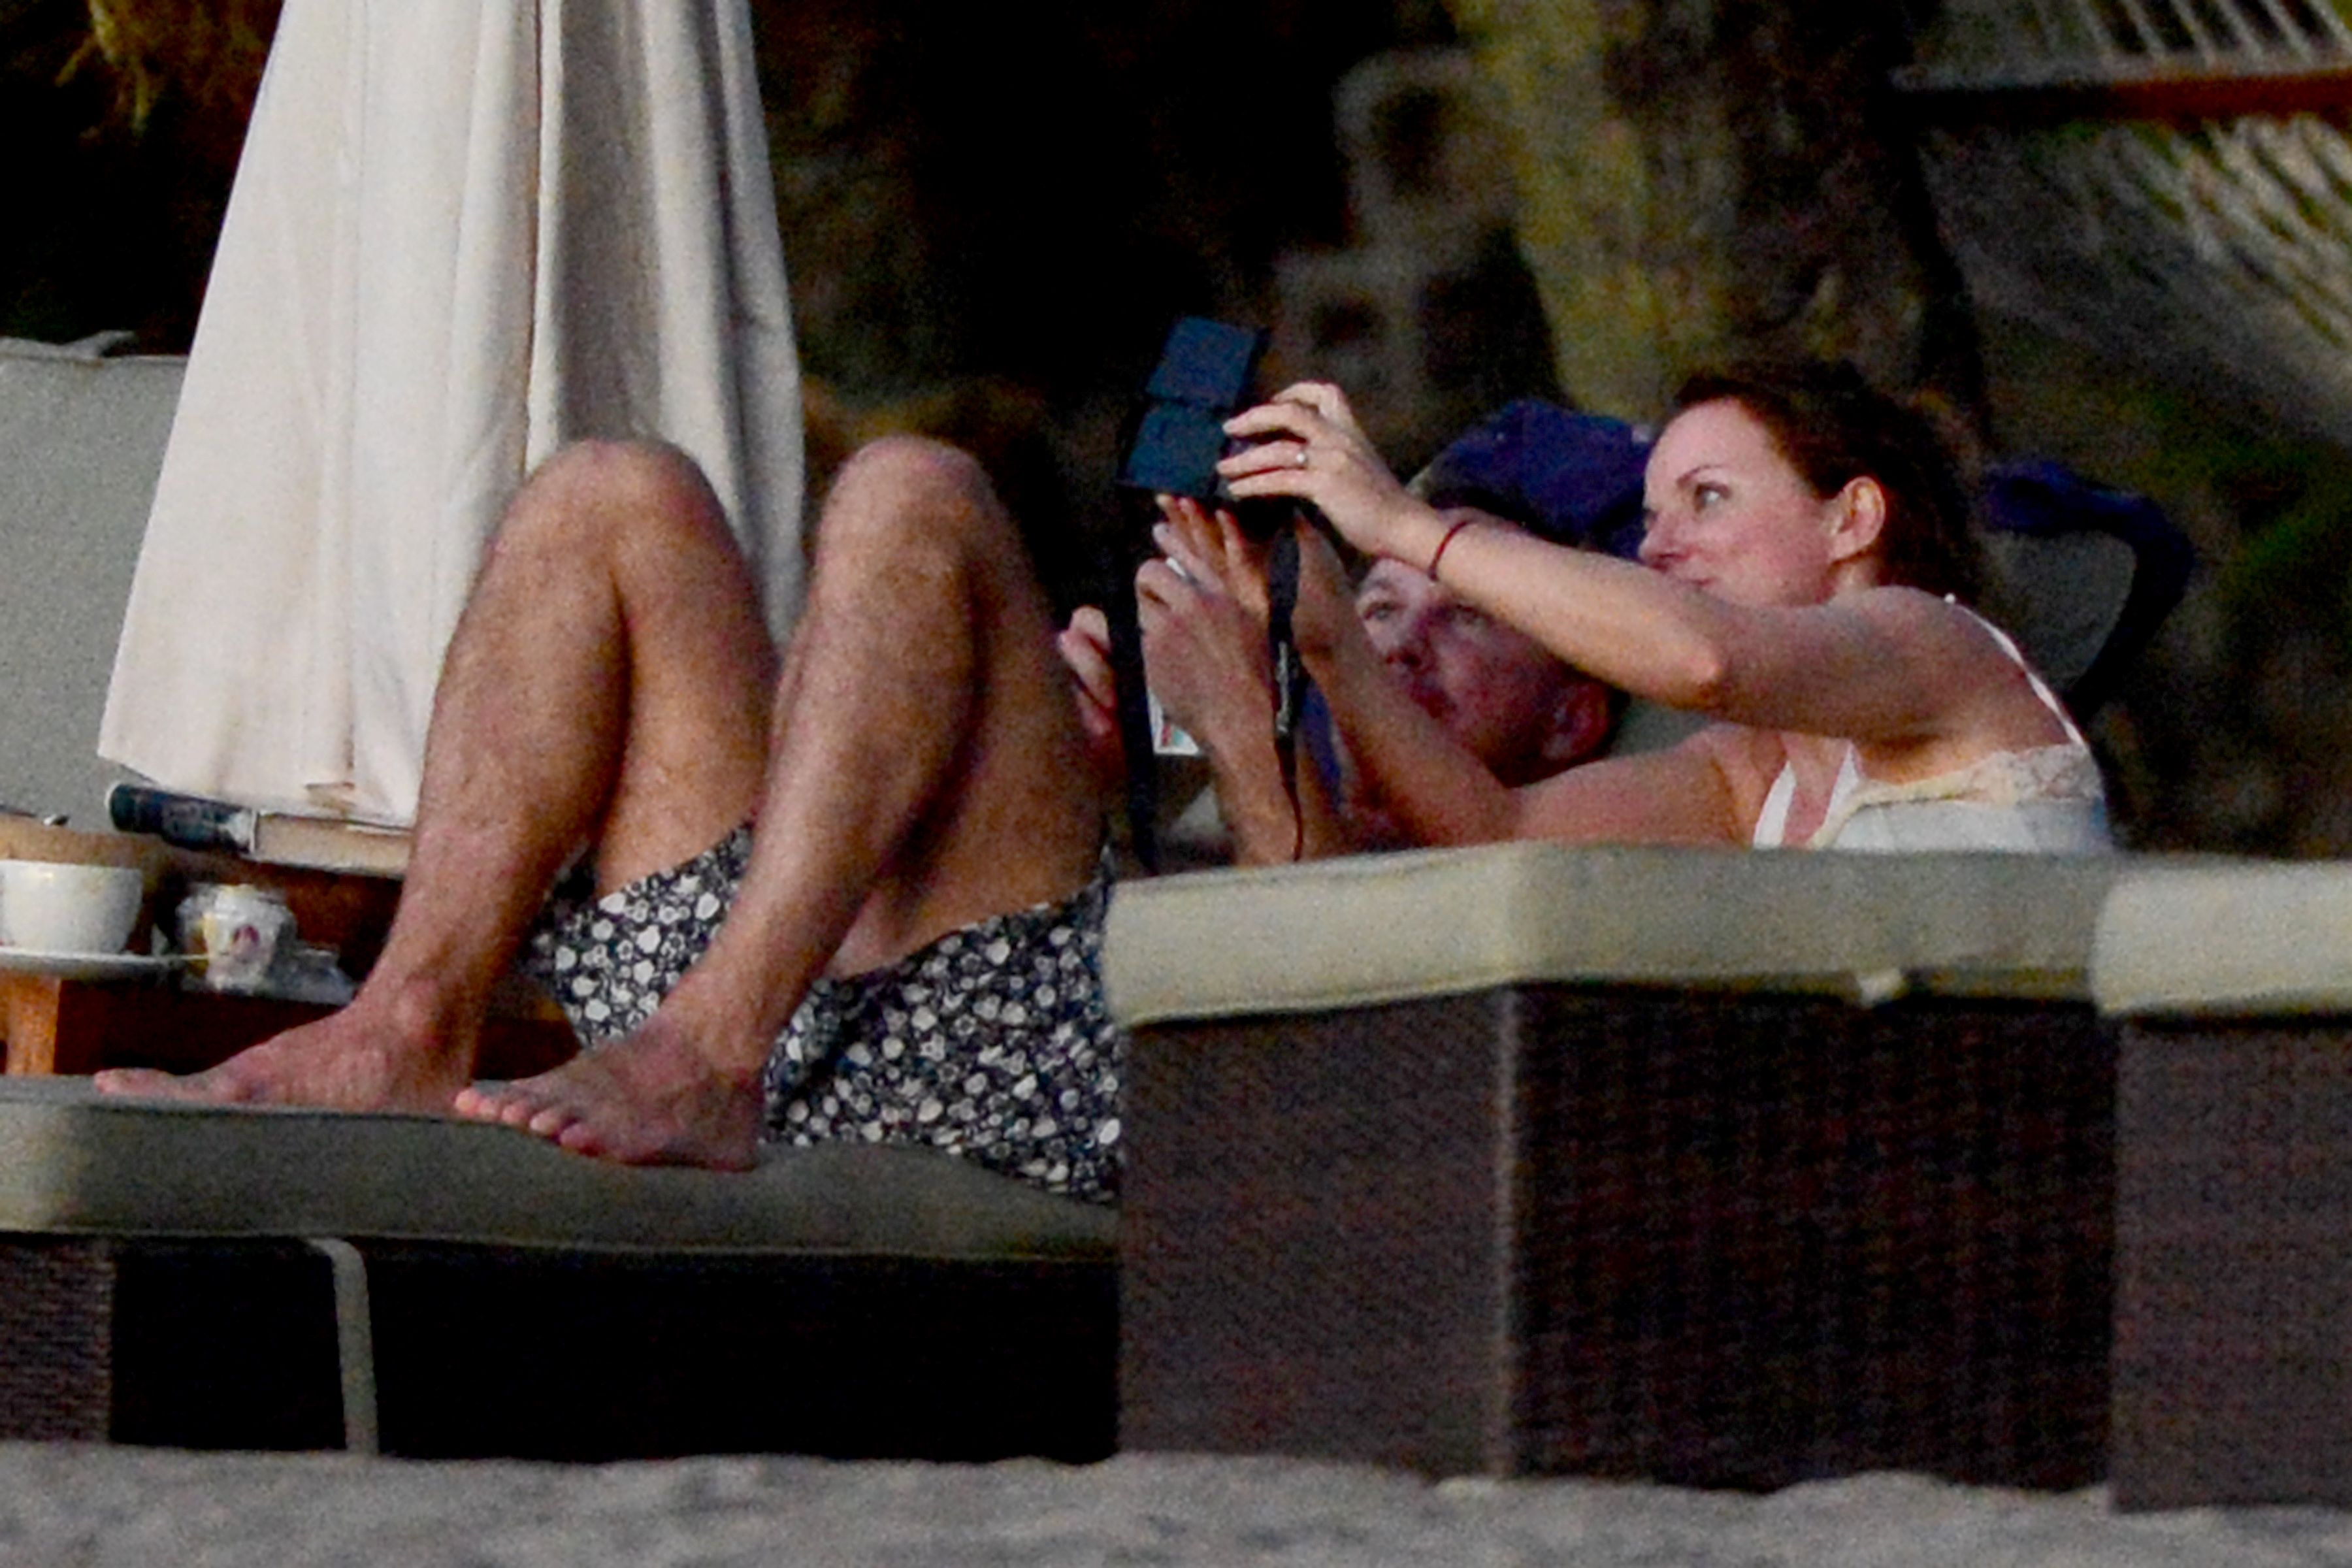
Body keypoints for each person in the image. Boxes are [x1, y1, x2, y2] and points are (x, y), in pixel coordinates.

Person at [97, 435, 1128, 1200]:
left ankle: (708, 1057)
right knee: (605, 492)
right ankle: (406, 1028)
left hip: (985, 1034)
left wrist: (1190, 726)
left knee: (914, 492)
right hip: (723, 964)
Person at [1207, 361, 2110, 853]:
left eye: (1707, 498)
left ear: (1852, 519)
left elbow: (1704, 661)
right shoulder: (1748, 775)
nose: (1656, 549)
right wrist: (1328, 641)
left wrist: (1404, 526)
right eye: (1649, 518)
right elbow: (1495, 831)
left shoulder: (1938, 642)